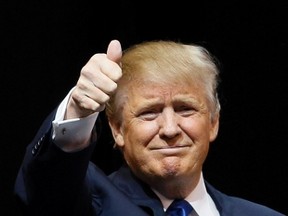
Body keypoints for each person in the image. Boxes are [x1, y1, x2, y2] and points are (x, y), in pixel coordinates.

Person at [14, 39, 285, 216]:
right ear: (117, 129)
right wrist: (78, 111)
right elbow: (46, 186)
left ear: (213, 122)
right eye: (149, 113)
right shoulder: (87, 202)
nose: (169, 129)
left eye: (185, 109)